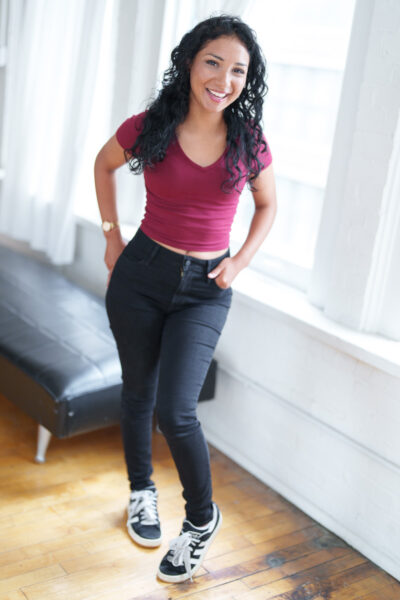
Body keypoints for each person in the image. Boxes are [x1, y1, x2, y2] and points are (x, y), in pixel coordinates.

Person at [94, 13, 277, 584]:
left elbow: (268, 205)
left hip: (205, 290)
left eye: (238, 70)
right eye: (213, 63)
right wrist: (112, 236)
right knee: (138, 391)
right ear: (190, 64)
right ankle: (140, 491)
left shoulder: (248, 140)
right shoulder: (152, 124)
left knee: (176, 410)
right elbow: (104, 164)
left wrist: (239, 262)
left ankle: (200, 520)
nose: (224, 79)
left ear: (248, 79)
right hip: (141, 274)